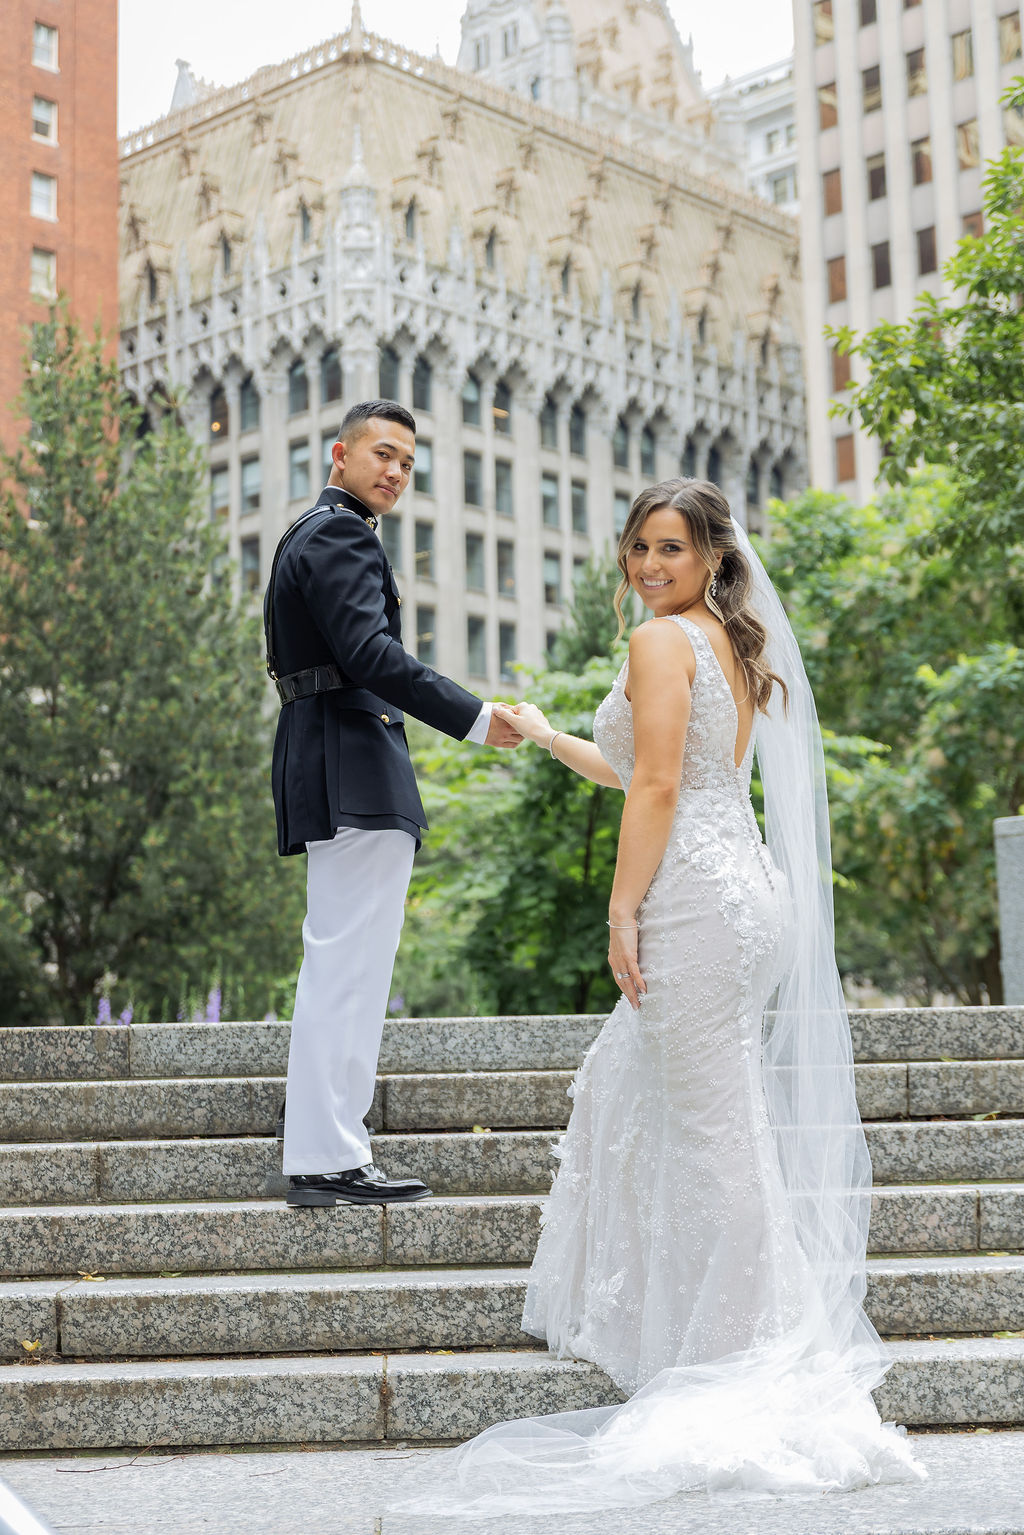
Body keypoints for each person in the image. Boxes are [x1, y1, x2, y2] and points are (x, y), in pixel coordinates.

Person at [392, 479, 923, 1514]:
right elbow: (641, 764)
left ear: (713, 555)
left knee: (714, 1127)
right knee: (706, 1116)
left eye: (670, 547)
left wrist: (621, 910)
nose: (648, 564)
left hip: (692, 901)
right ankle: (729, 1333)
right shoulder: (723, 639)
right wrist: (548, 737)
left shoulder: (663, 642)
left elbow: (658, 790)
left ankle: (735, 1357)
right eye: (638, 545)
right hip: (739, 892)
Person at [264, 398, 520, 1209]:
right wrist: (478, 719)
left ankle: (327, 1141)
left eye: (408, 462)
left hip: (332, 760)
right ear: (340, 454)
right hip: (353, 766)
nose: (397, 471)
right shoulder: (338, 533)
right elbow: (372, 655)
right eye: (384, 453)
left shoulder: (311, 533)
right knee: (350, 966)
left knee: (346, 963)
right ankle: (327, 1154)